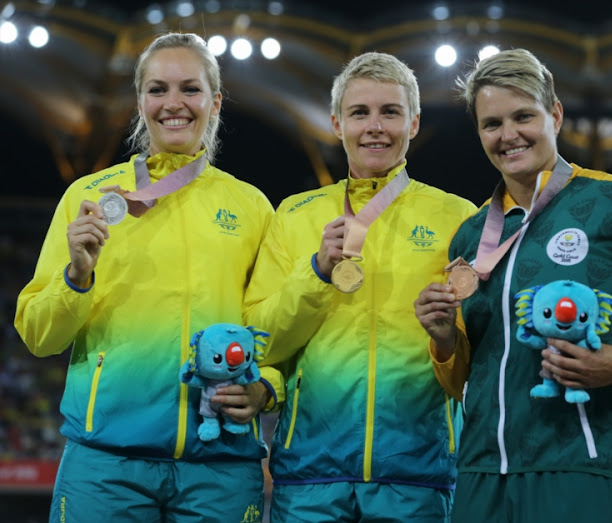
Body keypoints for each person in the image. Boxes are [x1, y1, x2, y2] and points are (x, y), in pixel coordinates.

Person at [414, 48, 612, 523]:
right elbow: (464, 381)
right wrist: (442, 340)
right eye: (492, 123)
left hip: (584, 467)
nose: (508, 135)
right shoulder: (471, 235)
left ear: (555, 115)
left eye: (524, 116)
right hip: (480, 474)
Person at [14, 32, 280, 523]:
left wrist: (265, 388)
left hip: (220, 464)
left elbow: (275, 333)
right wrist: (76, 274)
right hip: (106, 463)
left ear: (215, 101)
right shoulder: (88, 197)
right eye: (157, 89)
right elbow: (37, 335)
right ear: (140, 101)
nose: (173, 103)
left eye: (190, 89)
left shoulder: (253, 207)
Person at [242, 51, 477, 522]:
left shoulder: (457, 217)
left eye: (390, 112)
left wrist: (449, 338)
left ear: (412, 123)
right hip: (308, 475)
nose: (375, 126)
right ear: (336, 123)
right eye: (359, 113)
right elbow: (259, 341)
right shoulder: (294, 215)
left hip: (417, 477)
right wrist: (315, 272)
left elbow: (480, 353)